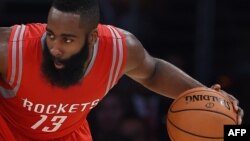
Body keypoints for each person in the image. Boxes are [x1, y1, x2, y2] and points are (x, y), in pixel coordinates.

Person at [0, 0, 243, 140]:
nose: (55, 48)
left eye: (68, 40)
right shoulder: (11, 49)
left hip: (69, 135)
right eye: (51, 35)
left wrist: (207, 94)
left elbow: (153, 71)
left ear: (92, 38)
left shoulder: (119, 49)